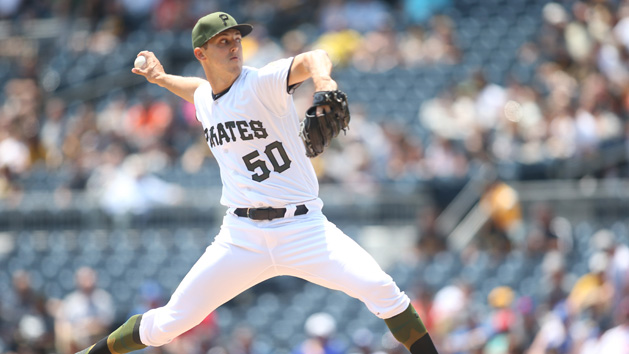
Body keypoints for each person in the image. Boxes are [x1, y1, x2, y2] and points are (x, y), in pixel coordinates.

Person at [75, 11, 438, 354]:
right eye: (223, 42)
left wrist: (324, 82)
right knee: (168, 324)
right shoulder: (206, 99)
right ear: (200, 53)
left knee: (382, 290)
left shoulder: (261, 82)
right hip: (241, 236)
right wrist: (161, 78)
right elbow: (197, 90)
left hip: (303, 228)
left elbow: (315, 57)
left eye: (236, 39)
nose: (234, 46)